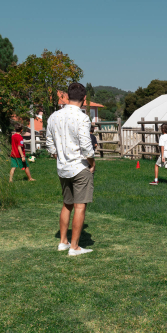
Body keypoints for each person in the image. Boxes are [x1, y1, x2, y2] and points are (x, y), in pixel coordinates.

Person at [46, 83, 96, 256]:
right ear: (84, 99)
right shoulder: (82, 118)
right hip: (79, 166)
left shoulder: (53, 117)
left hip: (63, 167)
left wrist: (59, 157)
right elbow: (86, 146)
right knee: (80, 206)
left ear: (67, 97)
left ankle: (63, 242)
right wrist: (92, 162)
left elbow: (50, 146)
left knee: (67, 205)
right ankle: (74, 247)